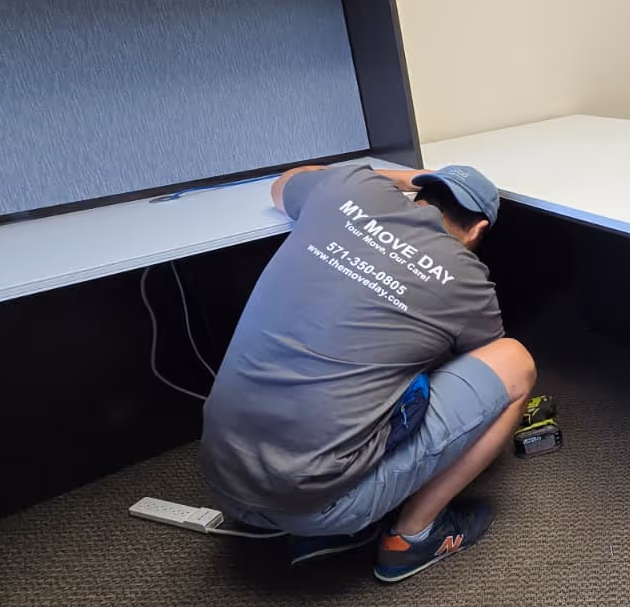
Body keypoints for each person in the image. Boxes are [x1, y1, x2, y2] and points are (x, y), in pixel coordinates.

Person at [199, 160, 536, 582]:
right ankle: (412, 537)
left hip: (223, 476)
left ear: (419, 193)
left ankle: (330, 527)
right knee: (514, 363)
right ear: (479, 230)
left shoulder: (346, 188)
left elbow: (281, 185)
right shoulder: (465, 278)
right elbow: (484, 359)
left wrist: (401, 177)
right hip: (315, 504)